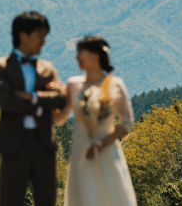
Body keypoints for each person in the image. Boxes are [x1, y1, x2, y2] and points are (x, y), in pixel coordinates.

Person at [0, 11, 68, 206]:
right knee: (11, 200)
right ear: (23, 35)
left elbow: (61, 99)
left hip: (44, 144)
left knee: (47, 200)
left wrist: (31, 96)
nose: (43, 41)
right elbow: (8, 102)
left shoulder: (47, 68)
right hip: (13, 145)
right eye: (39, 36)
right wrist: (44, 98)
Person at [54, 35, 137, 206]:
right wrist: (50, 98)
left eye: (80, 53)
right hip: (80, 151)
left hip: (108, 151)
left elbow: (126, 123)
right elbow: (60, 118)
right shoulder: (73, 84)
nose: (76, 57)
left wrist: (102, 144)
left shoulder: (115, 84)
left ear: (94, 55)